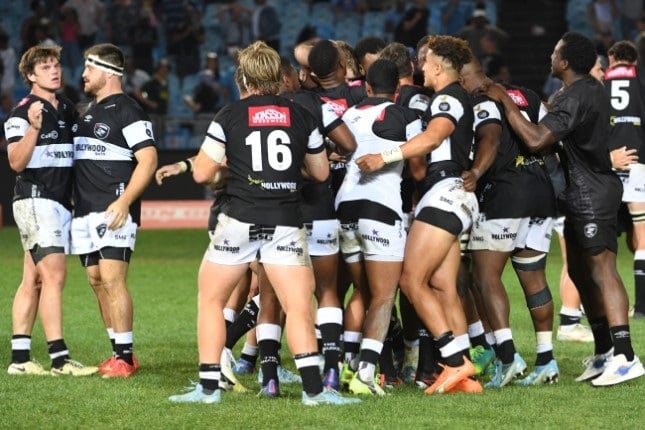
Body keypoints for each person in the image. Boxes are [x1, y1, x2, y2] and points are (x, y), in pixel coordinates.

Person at [167, 41, 360, 406]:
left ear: (243, 77)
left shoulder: (229, 115)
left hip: (239, 217)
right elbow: (320, 172)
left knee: (211, 299)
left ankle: (208, 388)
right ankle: (314, 391)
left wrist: (233, 173)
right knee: (300, 304)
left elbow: (202, 173)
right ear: (278, 75)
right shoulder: (303, 114)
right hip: (286, 220)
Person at [484, 31, 644, 386]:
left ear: (566, 62)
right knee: (582, 274)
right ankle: (604, 353)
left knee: (602, 270)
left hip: (591, 192)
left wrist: (505, 102)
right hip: (578, 193)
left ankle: (626, 356)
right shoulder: (573, 93)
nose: (550, 56)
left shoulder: (578, 93)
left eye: (555, 52)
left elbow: (538, 139)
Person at [355, 35, 482, 395]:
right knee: (442, 286)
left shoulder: (446, 98)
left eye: (425, 62)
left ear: (439, 67)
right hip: (451, 194)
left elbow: (432, 138)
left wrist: (384, 157)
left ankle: (456, 362)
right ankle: (463, 376)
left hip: (444, 194)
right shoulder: (456, 96)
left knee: (411, 281)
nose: (421, 66)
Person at [461, 58, 559, 387]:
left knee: (484, 276)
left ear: (462, 78)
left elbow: (487, 140)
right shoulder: (528, 95)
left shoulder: (477, 100)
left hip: (503, 194)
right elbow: (553, 134)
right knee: (535, 280)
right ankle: (546, 359)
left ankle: (508, 357)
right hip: (541, 194)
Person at [5, 44, 97, 376]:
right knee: (55, 275)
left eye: (56, 65)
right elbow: (16, 162)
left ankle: (19, 360)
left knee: (33, 279)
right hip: (35, 199)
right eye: (45, 67)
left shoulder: (68, 109)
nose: (54, 71)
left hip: (58, 203)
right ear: (30, 75)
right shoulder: (22, 111)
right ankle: (60, 359)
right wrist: (33, 128)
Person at [72, 43, 158, 378]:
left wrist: (124, 202)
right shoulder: (87, 110)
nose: (82, 75)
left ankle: (125, 357)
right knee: (95, 279)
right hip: (85, 210)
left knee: (112, 278)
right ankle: (117, 352)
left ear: (107, 72)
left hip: (114, 208)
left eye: (88, 69)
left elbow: (148, 160)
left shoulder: (128, 110)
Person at [337, 59, 423, 396]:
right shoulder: (407, 117)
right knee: (384, 295)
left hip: (345, 207)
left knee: (361, 292)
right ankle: (367, 373)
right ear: (398, 90)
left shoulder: (348, 115)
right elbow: (417, 169)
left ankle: (346, 365)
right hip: (381, 209)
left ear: (367, 87)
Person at [604, 40, 645, 319]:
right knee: (642, 237)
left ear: (611, 59)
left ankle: (593, 304)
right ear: (635, 62)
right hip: (639, 165)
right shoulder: (641, 84)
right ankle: (642, 307)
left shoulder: (598, 86)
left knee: (600, 236)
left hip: (606, 166)